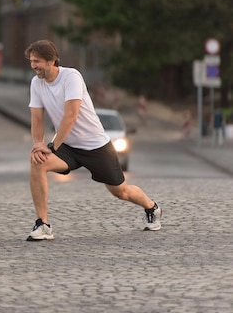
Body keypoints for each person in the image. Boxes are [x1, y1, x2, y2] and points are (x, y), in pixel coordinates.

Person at [24, 40, 162, 241]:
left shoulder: (71, 77)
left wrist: (51, 146)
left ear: (52, 61)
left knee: (121, 191)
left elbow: (71, 115)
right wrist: (38, 144)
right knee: (37, 163)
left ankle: (152, 207)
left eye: (37, 61)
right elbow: (36, 117)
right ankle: (43, 224)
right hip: (67, 147)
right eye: (31, 61)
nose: (33, 65)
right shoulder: (36, 83)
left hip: (95, 146)